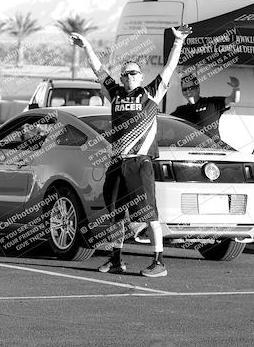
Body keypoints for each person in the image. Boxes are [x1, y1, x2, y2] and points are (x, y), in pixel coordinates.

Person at [69, 24, 192, 277]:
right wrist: (87, 47)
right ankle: (116, 259)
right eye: (125, 74)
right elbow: (98, 69)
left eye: (134, 73)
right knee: (115, 214)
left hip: (140, 163)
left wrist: (178, 41)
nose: (129, 77)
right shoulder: (114, 93)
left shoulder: (150, 93)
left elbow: (169, 69)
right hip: (117, 162)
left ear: (140, 75)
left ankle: (159, 262)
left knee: (149, 214)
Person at [170, 75, 240, 140]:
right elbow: (165, 120)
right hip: (189, 150)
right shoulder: (180, 110)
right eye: (184, 89)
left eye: (191, 88)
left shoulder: (211, 103)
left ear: (198, 88)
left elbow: (233, 99)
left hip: (212, 150)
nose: (187, 91)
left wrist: (236, 88)